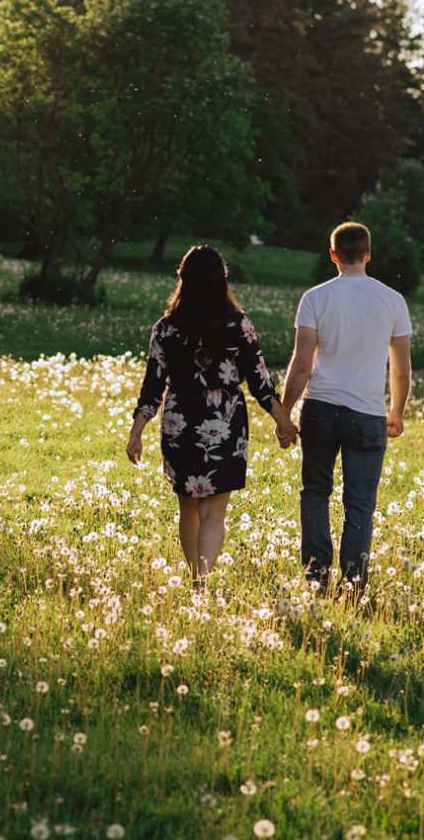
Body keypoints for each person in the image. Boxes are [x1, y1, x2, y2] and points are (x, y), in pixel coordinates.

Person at [127, 245, 298, 589]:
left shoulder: (165, 328)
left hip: (180, 420)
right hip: (225, 420)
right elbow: (260, 381)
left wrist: (136, 432)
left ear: (183, 280)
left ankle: (196, 579)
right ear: (222, 281)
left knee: (188, 506)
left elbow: (152, 386)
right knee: (214, 512)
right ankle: (203, 584)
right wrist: (283, 420)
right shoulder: (238, 324)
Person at [280, 221, 412, 595]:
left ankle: (315, 578)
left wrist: (286, 411)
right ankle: (352, 584)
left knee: (315, 492)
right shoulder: (393, 300)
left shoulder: (316, 298)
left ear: (333, 254)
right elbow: (400, 368)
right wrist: (397, 412)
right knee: (359, 504)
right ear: (368, 254)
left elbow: (302, 363)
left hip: (320, 409)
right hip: (368, 415)